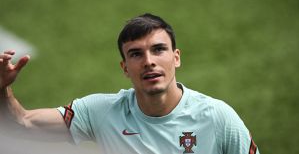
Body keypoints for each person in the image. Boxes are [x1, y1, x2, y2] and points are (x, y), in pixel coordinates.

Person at [0, 13, 259, 154]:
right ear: (125, 68)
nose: (149, 61)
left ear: (176, 58)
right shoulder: (99, 113)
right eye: (136, 54)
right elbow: (22, 124)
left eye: (158, 50)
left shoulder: (218, 117)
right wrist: (2, 88)